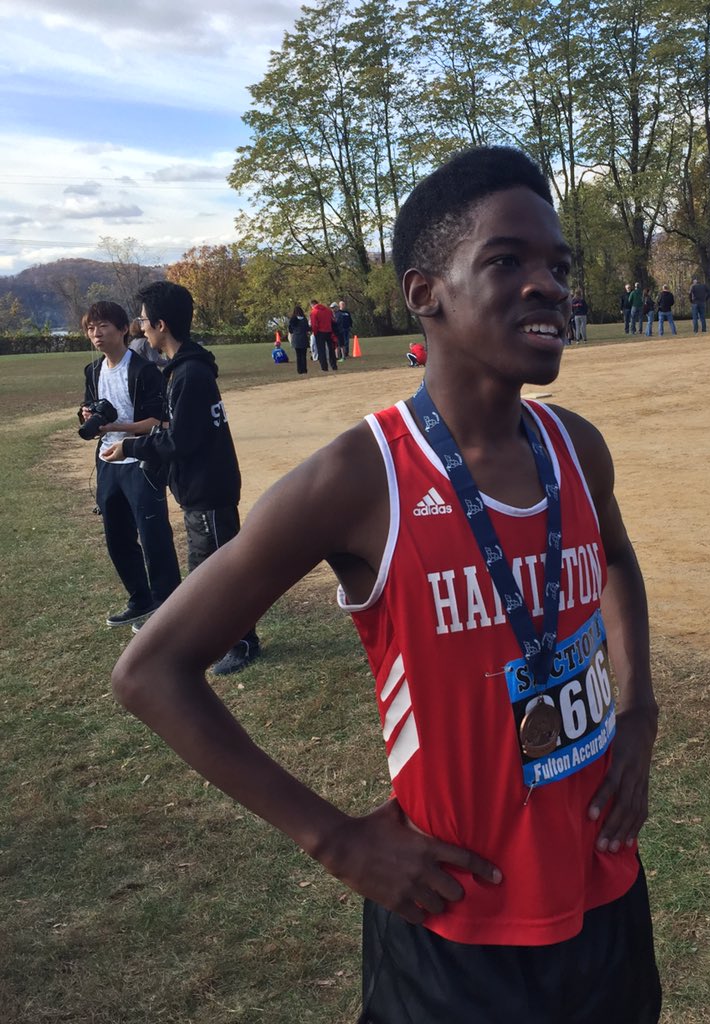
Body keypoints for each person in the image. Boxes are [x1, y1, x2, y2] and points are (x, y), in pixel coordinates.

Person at [110, 146, 661, 1024]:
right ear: (423, 293)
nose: (548, 284)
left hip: (606, 894)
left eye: (558, 265)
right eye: (507, 261)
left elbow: (619, 564)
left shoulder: (576, 449)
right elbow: (151, 672)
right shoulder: (361, 480)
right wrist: (334, 840)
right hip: (455, 934)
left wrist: (639, 713)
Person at [101, 281, 261, 676]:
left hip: (209, 489)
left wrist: (130, 447)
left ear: (160, 324)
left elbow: (180, 441)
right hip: (197, 489)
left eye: (142, 321)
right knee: (208, 571)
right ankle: (223, 637)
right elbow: (180, 432)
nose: (141, 328)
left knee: (221, 573)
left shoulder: (190, 374)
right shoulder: (181, 371)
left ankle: (241, 642)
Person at [79, 301, 181, 628]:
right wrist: (87, 415)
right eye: (91, 328)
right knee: (117, 536)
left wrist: (115, 428)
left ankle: (167, 604)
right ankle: (140, 598)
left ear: (124, 329)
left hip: (140, 458)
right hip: (108, 461)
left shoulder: (143, 370)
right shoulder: (92, 371)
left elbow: (158, 420)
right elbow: (88, 407)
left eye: (103, 326)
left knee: (153, 534)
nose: (96, 333)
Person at [310, 299, 337, 371]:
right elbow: (333, 321)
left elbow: (314, 324)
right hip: (329, 331)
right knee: (331, 349)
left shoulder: (314, 312)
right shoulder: (328, 311)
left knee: (321, 350)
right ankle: (334, 365)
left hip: (320, 332)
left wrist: (315, 333)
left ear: (312, 305)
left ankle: (324, 367)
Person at [288, 304, 311, 374]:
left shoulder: (292, 319)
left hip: (296, 339)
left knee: (298, 356)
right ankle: (304, 369)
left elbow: (290, 330)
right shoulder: (304, 319)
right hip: (303, 338)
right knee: (303, 355)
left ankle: (299, 370)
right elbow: (307, 328)